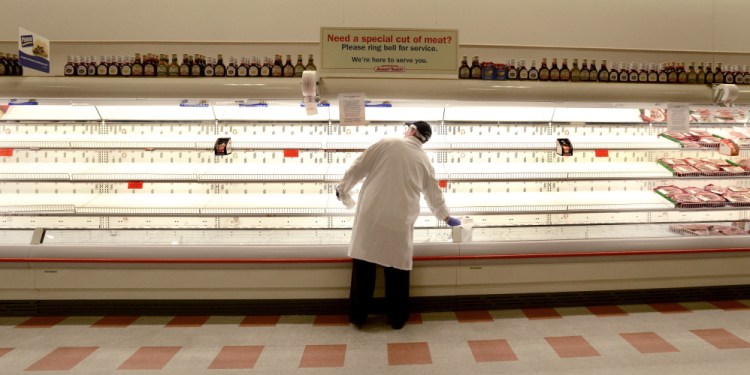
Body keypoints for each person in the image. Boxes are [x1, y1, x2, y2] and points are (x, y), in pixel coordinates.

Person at [335, 121, 461, 329]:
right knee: (397, 271)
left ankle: (358, 317)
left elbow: (358, 166)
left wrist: (342, 189)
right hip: (400, 221)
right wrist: (446, 218)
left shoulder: (388, 143)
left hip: (371, 217)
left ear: (412, 130)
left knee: (364, 268)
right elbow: (434, 194)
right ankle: (397, 318)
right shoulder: (424, 160)